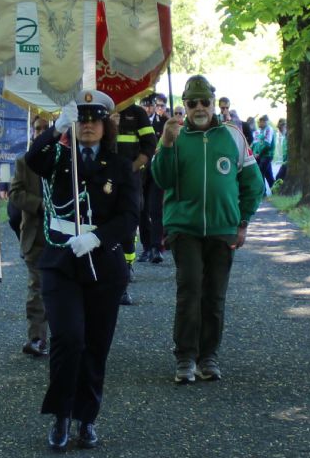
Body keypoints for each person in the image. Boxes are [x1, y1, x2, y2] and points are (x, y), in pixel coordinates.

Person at [26, 90, 138, 449]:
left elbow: (130, 216)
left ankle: (87, 417)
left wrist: (98, 238)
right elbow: (33, 159)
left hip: (103, 264)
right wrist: (56, 127)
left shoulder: (119, 166)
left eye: (94, 119)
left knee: (95, 344)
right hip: (61, 263)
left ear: (106, 125)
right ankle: (61, 415)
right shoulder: (59, 158)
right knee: (68, 338)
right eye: (81, 119)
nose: (87, 125)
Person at [155, 73, 265, 385]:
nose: (199, 107)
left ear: (214, 104)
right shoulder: (174, 135)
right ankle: (185, 357)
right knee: (190, 290)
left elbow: (253, 184)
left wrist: (243, 222)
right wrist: (166, 143)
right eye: (193, 103)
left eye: (205, 101)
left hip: (223, 228)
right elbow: (162, 179)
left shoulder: (232, 135)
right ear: (185, 106)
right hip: (184, 228)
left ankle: (208, 356)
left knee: (215, 296)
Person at [7, 114, 51, 358]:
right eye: (38, 129)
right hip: (35, 234)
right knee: (37, 288)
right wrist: (40, 204)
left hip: (64, 235)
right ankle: (36, 338)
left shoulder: (67, 157)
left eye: (46, 128)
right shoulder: (23, 161)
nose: (41, 132)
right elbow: (15, 194)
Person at [111, 96, 158, 304]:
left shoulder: (137, 113)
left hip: (130, 180)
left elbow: (150, 144)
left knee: (128, 228)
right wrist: (110, 127)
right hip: (103, 179)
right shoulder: (99, 110)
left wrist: (132, 168)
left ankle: (125, 273)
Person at [137, 94, 169, 262]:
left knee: (156, 209)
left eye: (152, 105)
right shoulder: (136, 121)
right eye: (145, 104)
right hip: (141, 170)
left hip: (156, 168)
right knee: (141, 209)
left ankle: (157, 246)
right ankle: (146, 247)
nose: (148, 108)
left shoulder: (164, 122)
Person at [252, 115, 277, 189]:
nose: (258, 123)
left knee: (260, 173)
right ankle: (275, 190)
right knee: (269, 175)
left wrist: (259, 154)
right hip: (261, 156)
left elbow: (267, 144)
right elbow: (256, 144)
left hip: (267, 155)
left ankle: (263, 192)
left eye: (260, 122)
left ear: (265, 122)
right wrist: (254, 153)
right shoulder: (260, 131)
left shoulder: (269, 129)